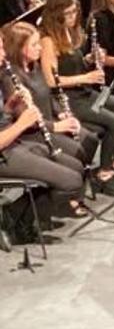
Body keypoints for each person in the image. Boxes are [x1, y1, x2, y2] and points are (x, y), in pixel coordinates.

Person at [39, 0, 114, 194]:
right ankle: (104, 174)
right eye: (67, 13)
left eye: (74, 12)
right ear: (55, 14)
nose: (72, 17)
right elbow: (51, 81)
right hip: (68, 99)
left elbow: (72, 63)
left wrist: (87, 60)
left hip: (85, 92)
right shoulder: (48, 40)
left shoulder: (72, 32)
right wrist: (85, 77)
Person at [2, 22, 92, 219]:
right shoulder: (8, 76)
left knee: (76, 165)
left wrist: (10, 105)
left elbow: (4, 118)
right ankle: (14, 217)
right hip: (9, 149)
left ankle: (30, 218)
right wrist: (22, 123)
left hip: (16, 144)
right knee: (72, 179)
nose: (3, 53)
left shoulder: (17, 71)